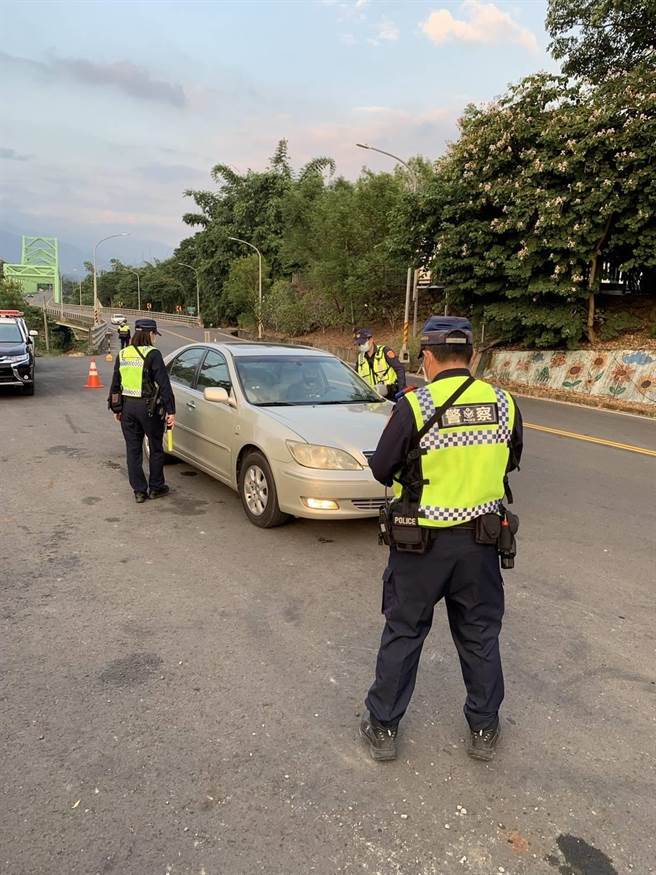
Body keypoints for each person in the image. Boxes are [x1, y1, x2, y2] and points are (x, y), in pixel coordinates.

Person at [360, 316, 523, 763]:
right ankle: (485, 729)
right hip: (482, 545)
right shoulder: (505, 404)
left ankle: (383, 726)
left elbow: (381, 469)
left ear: (427, 358)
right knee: (480, 637)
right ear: (471, 357)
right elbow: (510, 459)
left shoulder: (415, 405)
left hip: (421, 545)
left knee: (405, 631)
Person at [108, 318, 176, 503]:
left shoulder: (123, 354)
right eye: (155, 334)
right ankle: (156, 487)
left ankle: (139, 491)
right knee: (155, 447)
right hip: (149, 409)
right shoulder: (153, 354)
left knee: (133, 450)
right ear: (149, 334)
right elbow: (164, 384)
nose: (156, 338)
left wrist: (116, 408)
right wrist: (171, 411)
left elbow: (115, 384)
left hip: (128, 408)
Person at [354, 328, 406, 400]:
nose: (361, 346)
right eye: (359, 344)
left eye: (363, 343)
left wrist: (401, 393)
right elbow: (356, 378)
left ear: (371, 340)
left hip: (391, 396)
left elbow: (400, 369)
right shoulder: (360, 358)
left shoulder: (384, 351)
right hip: (373, 399)